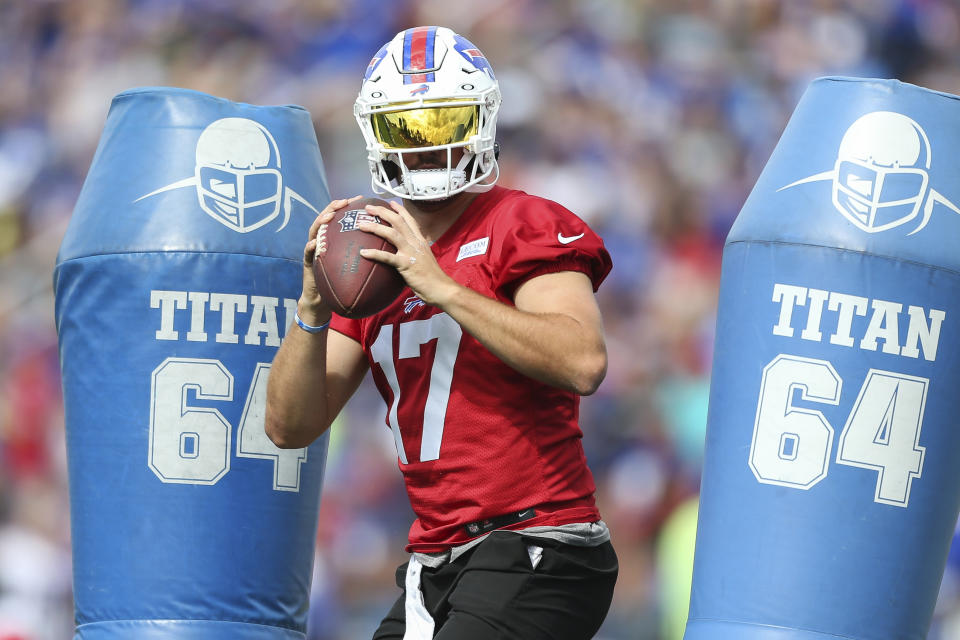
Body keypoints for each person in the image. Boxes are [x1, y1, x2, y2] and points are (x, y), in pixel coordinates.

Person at [265, 25, 618, 640]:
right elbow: (289, 425)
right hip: (436, 560)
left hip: (540, 543)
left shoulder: (523, 221)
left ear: (480, 123)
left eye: (445, 124)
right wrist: (313, 310)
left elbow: (582, 360)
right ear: (377, 133)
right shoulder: (371, 252)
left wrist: (446, 288)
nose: (426, 147)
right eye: (408, 128)